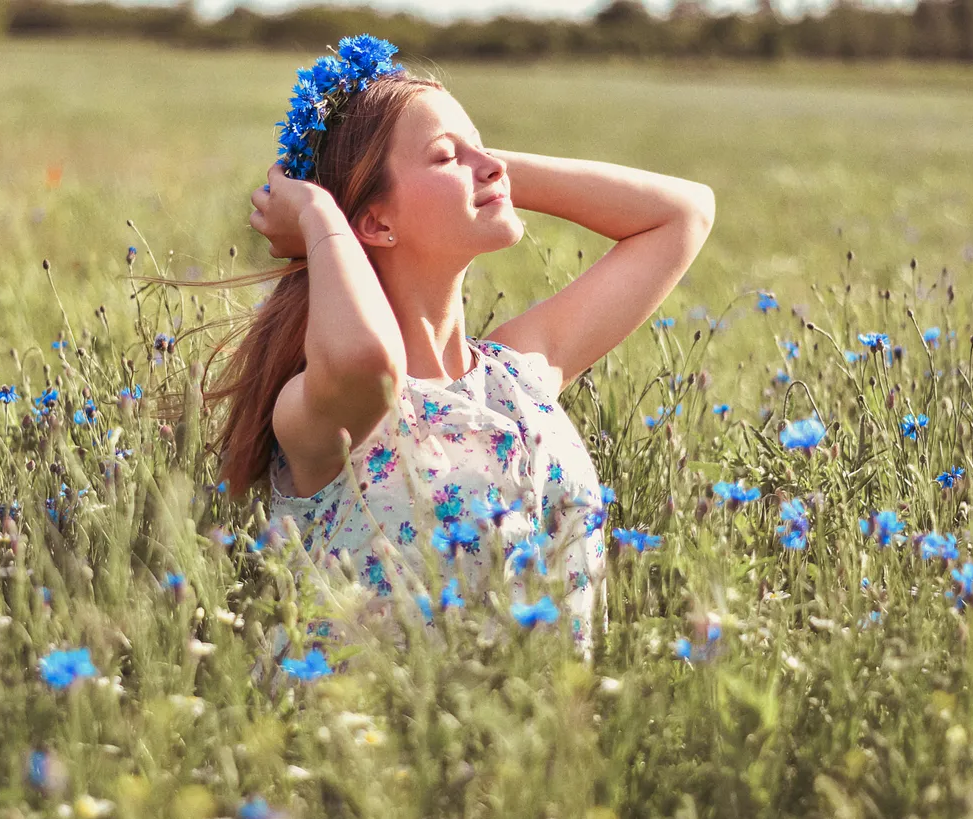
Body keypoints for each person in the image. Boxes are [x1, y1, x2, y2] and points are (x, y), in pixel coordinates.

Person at [207, 36, 713, 659]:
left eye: (486, 148)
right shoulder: (325, 408)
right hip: (364, 748)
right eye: (449, 157)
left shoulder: (519, 374)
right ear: (376, 224)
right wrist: (317, 212)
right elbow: (373, 363)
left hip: (536, 747)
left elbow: (685, 213)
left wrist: (483, 169)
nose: (491, 164)